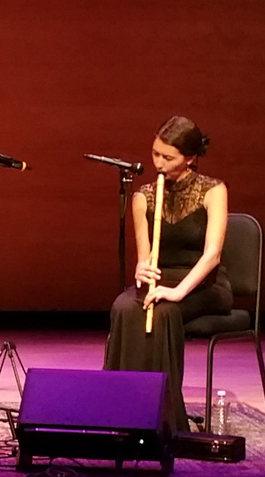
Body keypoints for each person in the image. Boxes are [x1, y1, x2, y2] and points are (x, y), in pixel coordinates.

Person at [104, 115, 232, 432]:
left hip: (203, 284)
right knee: (123, 307)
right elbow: (144, 255)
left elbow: (212, 255)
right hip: (162, 281)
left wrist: (178, 292)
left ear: (190, 158)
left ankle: (163, 417)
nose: (158, 163)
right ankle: (121, 409)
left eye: (168, 157)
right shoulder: (143, 196)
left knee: (163, 313)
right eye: (155, 154)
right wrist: (142, 268)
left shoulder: (213, 190)